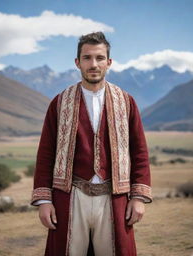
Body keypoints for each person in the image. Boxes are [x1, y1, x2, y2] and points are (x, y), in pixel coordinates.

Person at [31, 31, 152, 256]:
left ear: (109, 62)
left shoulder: (126, 102)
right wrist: (44, 200)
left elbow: (139, 152)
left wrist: (137, 197)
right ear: (77, 62)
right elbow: (46, 154)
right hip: (70, 195)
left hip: (113, 196)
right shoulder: (59, 103)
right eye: (87, 58)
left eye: (99, 58)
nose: (93, 64)